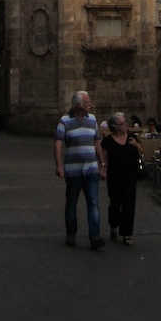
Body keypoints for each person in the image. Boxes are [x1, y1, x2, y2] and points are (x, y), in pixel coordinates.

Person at [54, 90, 107, 250]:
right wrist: (59, 165)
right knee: (71, 203)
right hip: (73, 170)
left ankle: (95, 236)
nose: (90, 105)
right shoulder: (64, 121)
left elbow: (97, 142)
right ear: (78, 104)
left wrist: (102, 164)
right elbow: (58, 143)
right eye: (87, 102)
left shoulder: (92, 120)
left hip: (91, 169)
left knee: (93, 203)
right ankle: (71, 234)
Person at [102, 113, 142, 246]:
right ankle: (114, 226)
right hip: (114, 177)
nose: (125, 126)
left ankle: (127, 234)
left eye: (125, 123)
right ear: (115, 127)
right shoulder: (108, 141)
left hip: (130, 176)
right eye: (122, 124)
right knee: (115, 204)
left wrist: (136, 145)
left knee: (129, 205)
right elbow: (103, 159)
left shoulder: (131, 137)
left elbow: (141, 153)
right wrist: (102, 170)